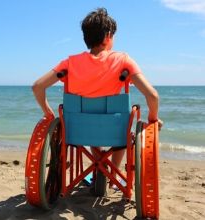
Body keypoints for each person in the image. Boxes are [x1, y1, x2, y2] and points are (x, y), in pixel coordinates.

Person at [32, 8, 163, 185]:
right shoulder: (122, 60)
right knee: (122, 129)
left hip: (76, 134)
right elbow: (152, 96)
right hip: (115, 134)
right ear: (108, 36)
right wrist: (153, 119)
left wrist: (48, 113)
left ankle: (99, 169)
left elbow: (37, 87)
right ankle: (112, 175)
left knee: (91, 120)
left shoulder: (70, 63)